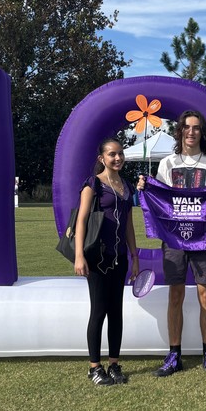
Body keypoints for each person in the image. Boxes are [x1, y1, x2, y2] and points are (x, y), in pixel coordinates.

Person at [140, 110, 206, 377]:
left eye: (197, 128)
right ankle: (174, 355)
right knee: (175, 294)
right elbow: (162, 200)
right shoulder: (167, 162)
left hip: (203, 238)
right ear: (180, 131)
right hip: (174, 238)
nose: (191, 132)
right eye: (187, 127)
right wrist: (146, 186)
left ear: (203, 132)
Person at [74, 138, 139, 386]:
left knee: (116, 313)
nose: (118, 158)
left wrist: (134, 257)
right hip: (97, 258)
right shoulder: (93, 185)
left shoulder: (126, 187)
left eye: (120, 153)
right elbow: (81, 221)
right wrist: (79, 256)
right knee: (99, 311)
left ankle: (113, 364)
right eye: (112, 154)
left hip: (119, 257)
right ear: (102, 158)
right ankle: (94, 367)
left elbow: (130, 224)